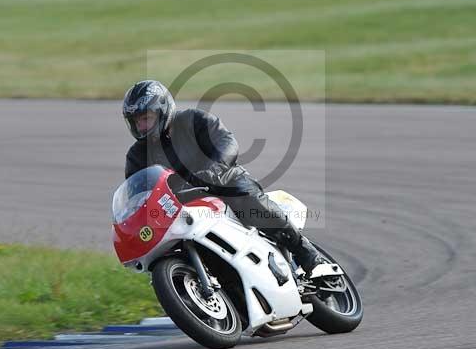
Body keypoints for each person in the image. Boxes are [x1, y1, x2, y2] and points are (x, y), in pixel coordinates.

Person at [122, 79, 325, 276]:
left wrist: (213, 169)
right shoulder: (136, 156)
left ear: (162, 110)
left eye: (145, 118)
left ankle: (305, 252)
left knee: (249, 202)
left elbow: (226, 142)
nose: (141, 126)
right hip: (180, 206)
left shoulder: (193, 120)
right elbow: (137, 192)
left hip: (221, 183)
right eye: (136, 121)